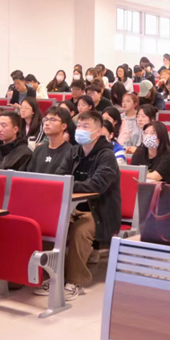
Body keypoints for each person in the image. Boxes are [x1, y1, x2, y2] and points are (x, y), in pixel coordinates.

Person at [53, 110, 121, 300]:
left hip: (99, 212)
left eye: (86, 126)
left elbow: (97, 185)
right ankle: (53, 276)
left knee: (80, 231)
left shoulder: (107, 156)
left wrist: (70, 184)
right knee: (52, 226)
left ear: (98, 131)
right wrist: (69, 183)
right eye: (79, 126)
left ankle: (74, 282)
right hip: (72, 208)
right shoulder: (73, 152)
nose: (80, 130)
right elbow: (59, 176)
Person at [27, 106, 73, 174]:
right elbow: (29, 175)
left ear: (63, 126)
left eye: (52, 119)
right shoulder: (38, 150)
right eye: (45, 119)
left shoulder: (70, 152)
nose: (47, 123)